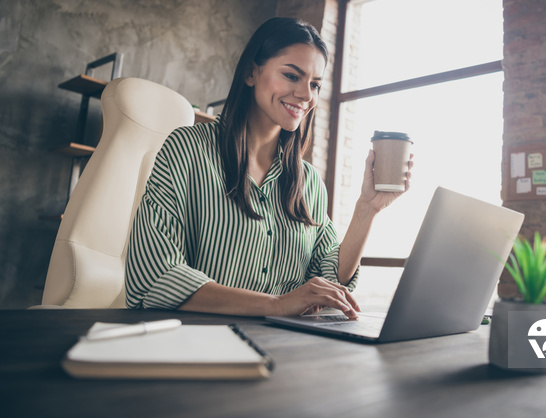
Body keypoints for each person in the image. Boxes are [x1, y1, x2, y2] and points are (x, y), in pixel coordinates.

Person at [125, 17, 412, 319]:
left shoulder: (309, 181)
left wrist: (367, 209)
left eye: (315, 84)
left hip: (287, 347)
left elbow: (329, 278)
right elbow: (154, 278)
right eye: (291, 76)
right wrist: (276, 304)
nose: (306, 94)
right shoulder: (187, 149)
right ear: (251, 72)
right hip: (200, 343)